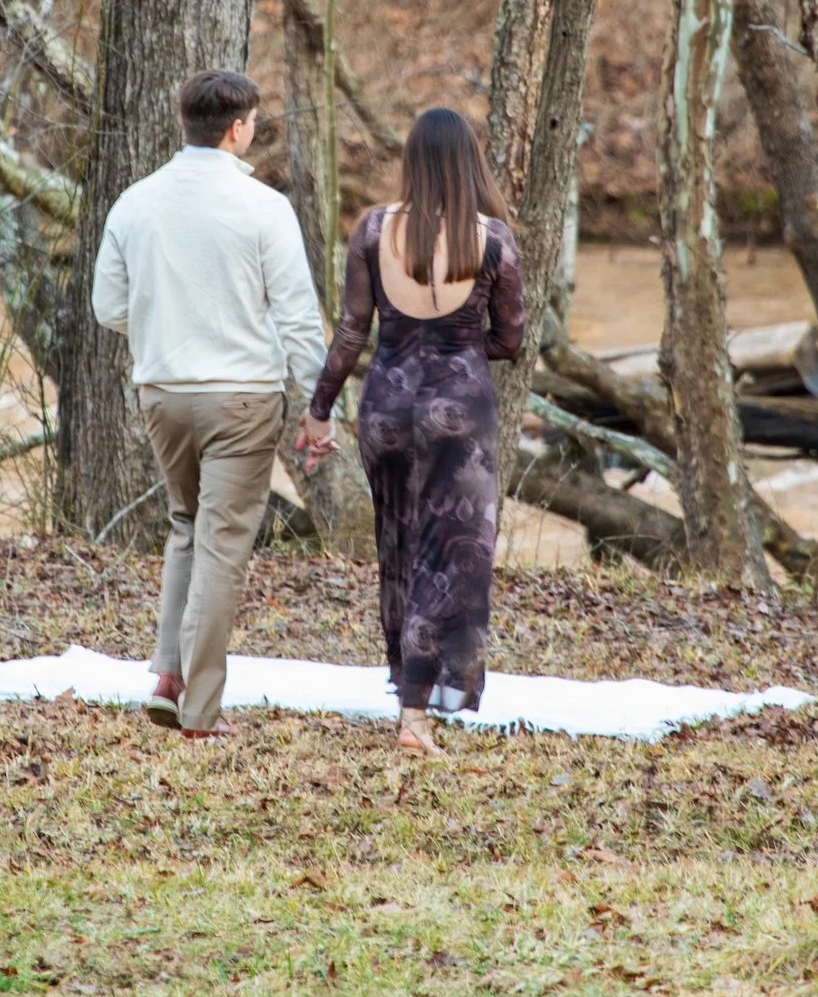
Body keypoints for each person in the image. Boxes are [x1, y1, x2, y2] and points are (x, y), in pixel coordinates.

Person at [91, 69, 331, 740]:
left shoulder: (135, 202)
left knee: (187, 526)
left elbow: (109, 307)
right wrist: (318, 405)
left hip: (164, 391)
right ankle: (197, 708)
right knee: (222, 543)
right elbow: (298, 318)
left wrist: (166, 322)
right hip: (242, 397)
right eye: (253, 120)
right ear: (237, 127)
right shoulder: (263, 208)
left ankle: (168, 673)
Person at [301, 107, 524, 756]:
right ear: (467, 163)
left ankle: (408, 685)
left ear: (411, 162)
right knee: (451, 558)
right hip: (459, 410)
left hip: (387, 409)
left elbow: (350, 333)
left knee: (400, 547)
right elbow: (509, 339)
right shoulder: (493, 239)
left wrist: (319, 409)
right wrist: (463, 347)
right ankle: (416, 713)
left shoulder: (372, 229)